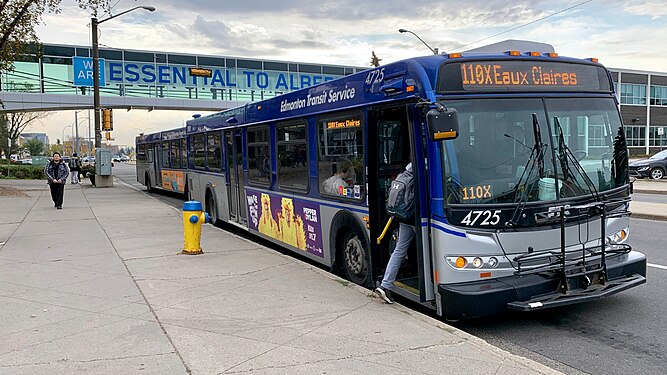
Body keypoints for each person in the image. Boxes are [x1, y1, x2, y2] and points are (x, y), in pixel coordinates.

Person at [375, 162, 415, 304]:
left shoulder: (403, 175)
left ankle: (385, 285)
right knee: (432, 248)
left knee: (399, 251)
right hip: (416, 219)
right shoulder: (423, 172)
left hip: (403, 217)